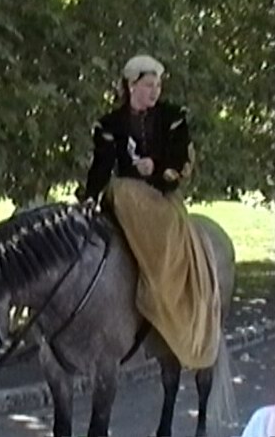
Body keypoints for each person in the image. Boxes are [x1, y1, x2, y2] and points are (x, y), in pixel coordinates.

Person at [81, 54, 221, 369]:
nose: (155, 91)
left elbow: (182, 163)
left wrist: (155, 166)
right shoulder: (110, 124)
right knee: (117, 192)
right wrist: (89, 196)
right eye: (148, 85)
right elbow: (101, 167)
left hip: (160, 199)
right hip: (124, 201)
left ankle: (161, 291)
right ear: (131, 86)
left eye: (158, 85)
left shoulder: (172, 118)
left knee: (123, 190)